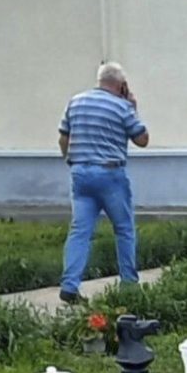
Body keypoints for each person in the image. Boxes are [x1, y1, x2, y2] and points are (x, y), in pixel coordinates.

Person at [58, 62, 148, 305]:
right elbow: (142, 140)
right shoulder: (122, 106)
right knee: (124, 229)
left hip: (80, 173)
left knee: (80, 231)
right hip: (110, 174)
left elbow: (63, 137)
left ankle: (69, 285)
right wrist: (134, 108)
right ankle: (129, 284)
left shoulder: (76, 101)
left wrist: (71, 161)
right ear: (121, 85)